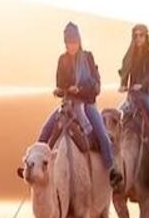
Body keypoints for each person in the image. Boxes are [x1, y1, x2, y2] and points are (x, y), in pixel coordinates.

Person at [38, 22, 121, 188]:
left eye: (74, 41)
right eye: (68, 42)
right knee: (46, 129)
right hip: (68, 104)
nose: (71, 45)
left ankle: (112, 171)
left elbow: (96, 86)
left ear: (79, 40)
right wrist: (61, 90)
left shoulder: (88, 58)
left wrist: (80, 89)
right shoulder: (62, 60)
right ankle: (36, 165)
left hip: (87, 103)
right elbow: (60, 83)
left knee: (102, 134)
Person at [118, 23, 149, 172]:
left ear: (146, 37)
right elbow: (125, 70)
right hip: (132, 96)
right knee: (116, 116)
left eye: (141, 35)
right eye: (136, 36)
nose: (138, 38)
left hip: (147, 94)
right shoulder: (130, 55)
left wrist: (142, 84)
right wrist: (122, 84)